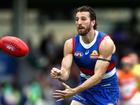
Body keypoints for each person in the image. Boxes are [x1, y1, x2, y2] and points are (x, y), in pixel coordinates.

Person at [50, 6, 119, 105]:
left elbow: (98, 77)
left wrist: (74, 91)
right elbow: (65, 74)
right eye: (77, 19)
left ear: (93, 22)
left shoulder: (105, 42)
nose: (79, 22)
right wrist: (60, 74)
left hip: (106, 88)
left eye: (83, 19)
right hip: (85, 88)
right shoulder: (70, 44)